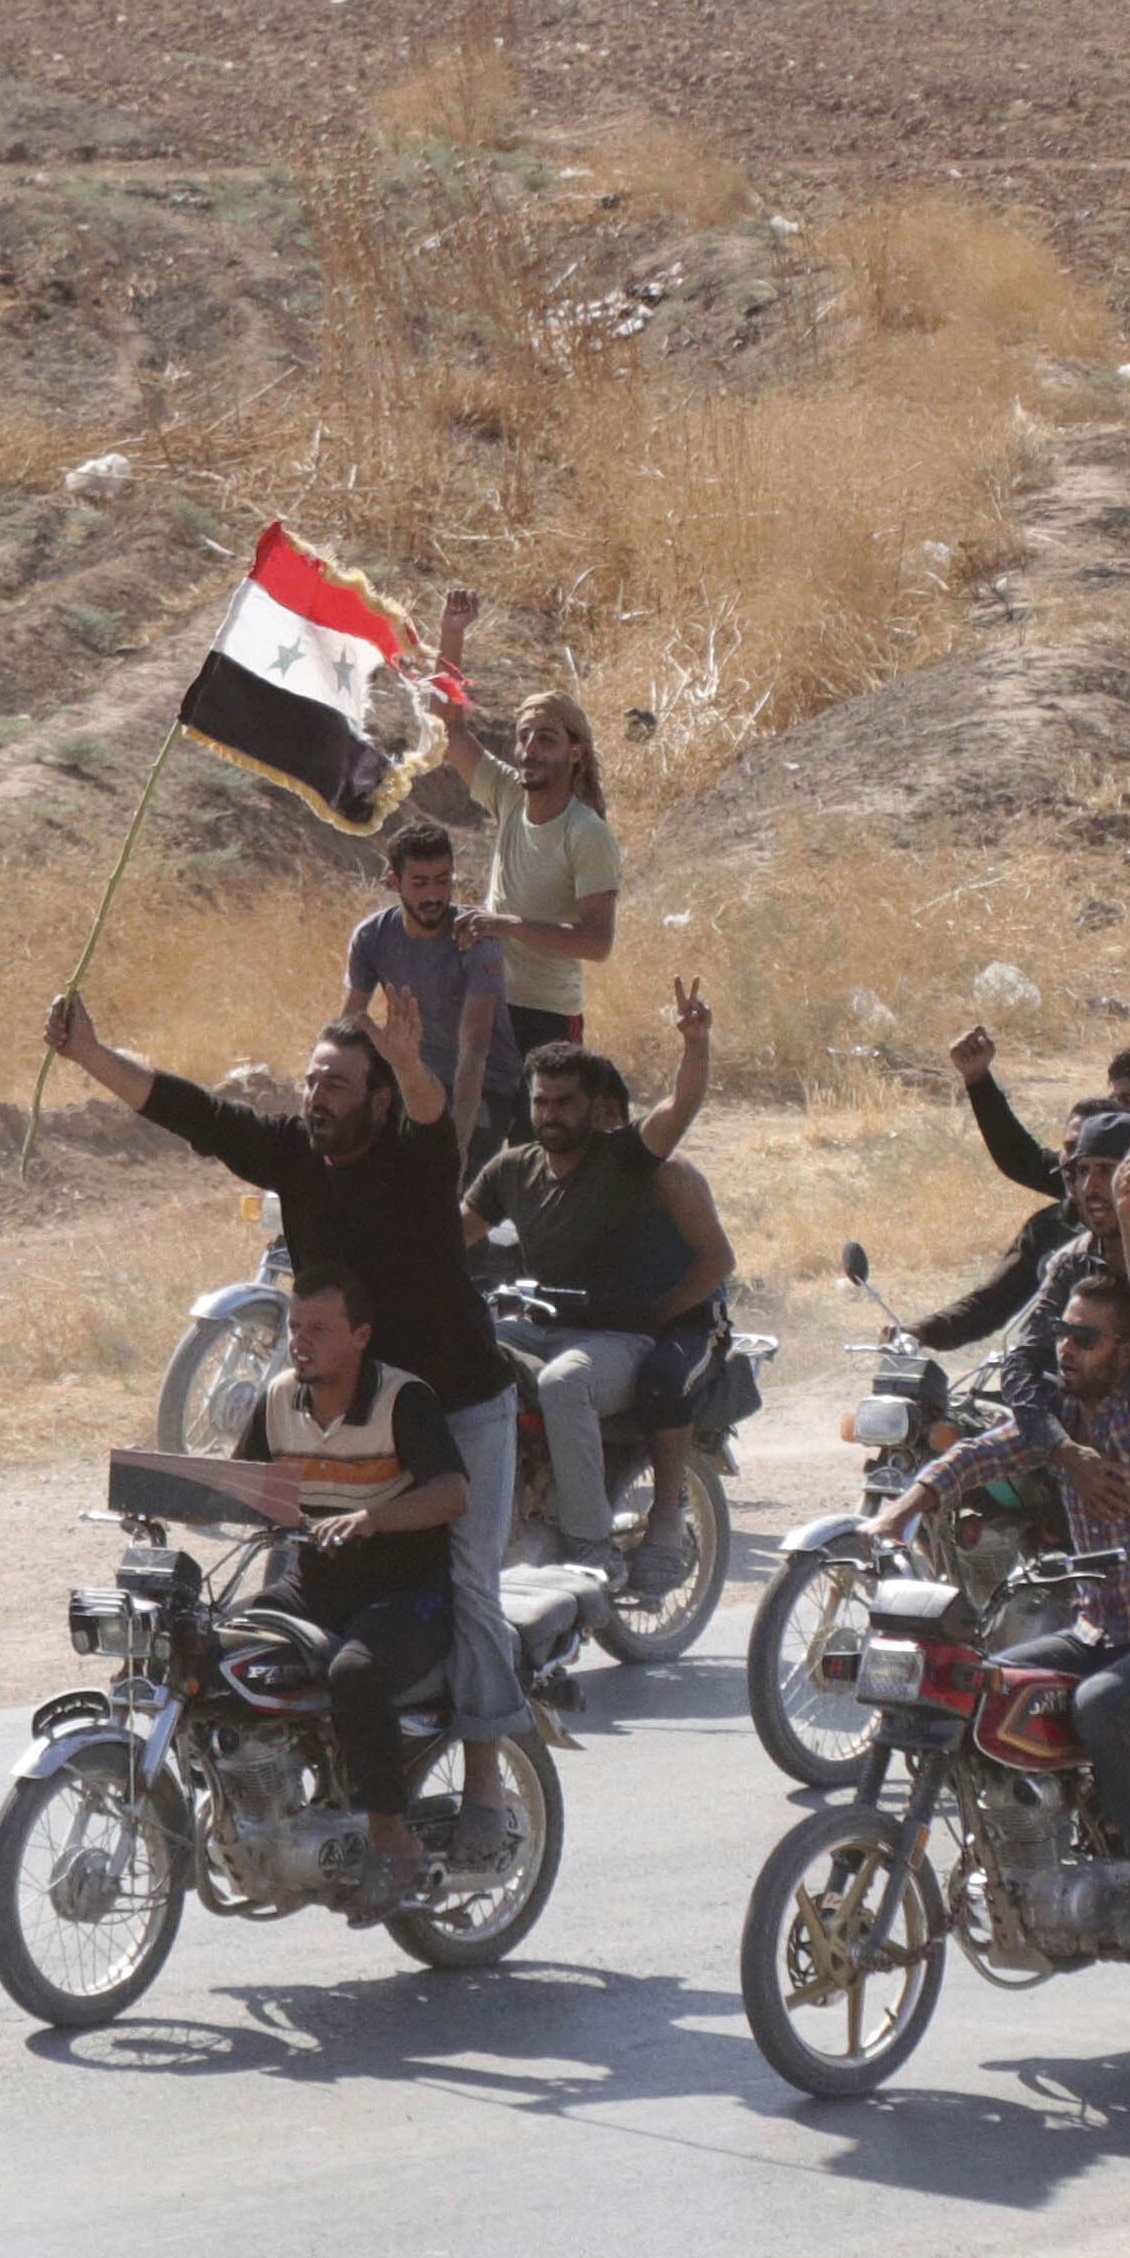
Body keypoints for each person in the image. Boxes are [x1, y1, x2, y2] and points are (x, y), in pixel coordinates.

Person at [45, 976, 531, 1808]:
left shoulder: (415, 1161)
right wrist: (89, 1052)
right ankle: (297, 1753)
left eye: (337, 1083)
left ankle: (485, 1785)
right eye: (310, 1080)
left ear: (377, 1097)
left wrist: (414, 1067)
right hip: (344, 1392)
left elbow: (428, 1117)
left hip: (454, 1399)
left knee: (470, 1586)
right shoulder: (294, 1153)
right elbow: (191, 1112)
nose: (316, 1096)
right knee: (284, 1555)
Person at [882, 1145, 1130, 1915]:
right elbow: (980, 1450)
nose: (1066, 1350)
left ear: (1125, 1351)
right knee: (985, 1680)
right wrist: (903, 1509)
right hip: (1101, 1629)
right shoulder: (1062, 1420)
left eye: (1087, 1340)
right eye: (1065, 1336)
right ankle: (1017, 1839)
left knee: (1100, 1703)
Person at [466, 984, 729, 1571]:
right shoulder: (512, 1170)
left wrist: (696, 1044)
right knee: (453, 1349)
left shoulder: (625, 1159)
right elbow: (443, 1237)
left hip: (620, 1341)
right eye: (541, 1103)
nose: (549, 1115)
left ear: (592, 1108)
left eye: (563, 1103)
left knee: (565, 1384)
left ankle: (589, 1548)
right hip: (542, 1328)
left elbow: (679, 1107)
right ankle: (484, 1516)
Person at [234, 1273, 473, 1887]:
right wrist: (160, 1495)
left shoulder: (403, 1400)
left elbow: (453, 1493)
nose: (299, 1343)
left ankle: (392, 1845)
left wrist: (372, 1519)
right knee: (220, 1644)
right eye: (293, 1328)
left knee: (355, 1673)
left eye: (318, 1329)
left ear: (360, 1336)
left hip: (406, 1594)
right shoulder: (279, 1399)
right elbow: (237, 1488)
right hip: (314, 1587)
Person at [428, 612, 622, 1129]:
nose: (531, 750)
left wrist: (508, 925)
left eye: (547, 740)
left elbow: (597, 942)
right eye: (525, 738)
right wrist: (453, 633)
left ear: (575, 753)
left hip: (548, 1017)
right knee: (481, 1146)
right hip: (488, 1001)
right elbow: (448, 727)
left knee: (548, 1151)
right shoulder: (511, 795)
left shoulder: (587, 834)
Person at [341, 819, 515, 1156]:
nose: (433, 895)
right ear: (394, 882)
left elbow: (474, 1051)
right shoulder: (372, 936)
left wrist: (458, 1150)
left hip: (484, 1084)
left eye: (442, 881)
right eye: (419, 883)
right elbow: (350, 1023)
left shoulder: (477, 941)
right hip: (412, 1075)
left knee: (452, 1188)